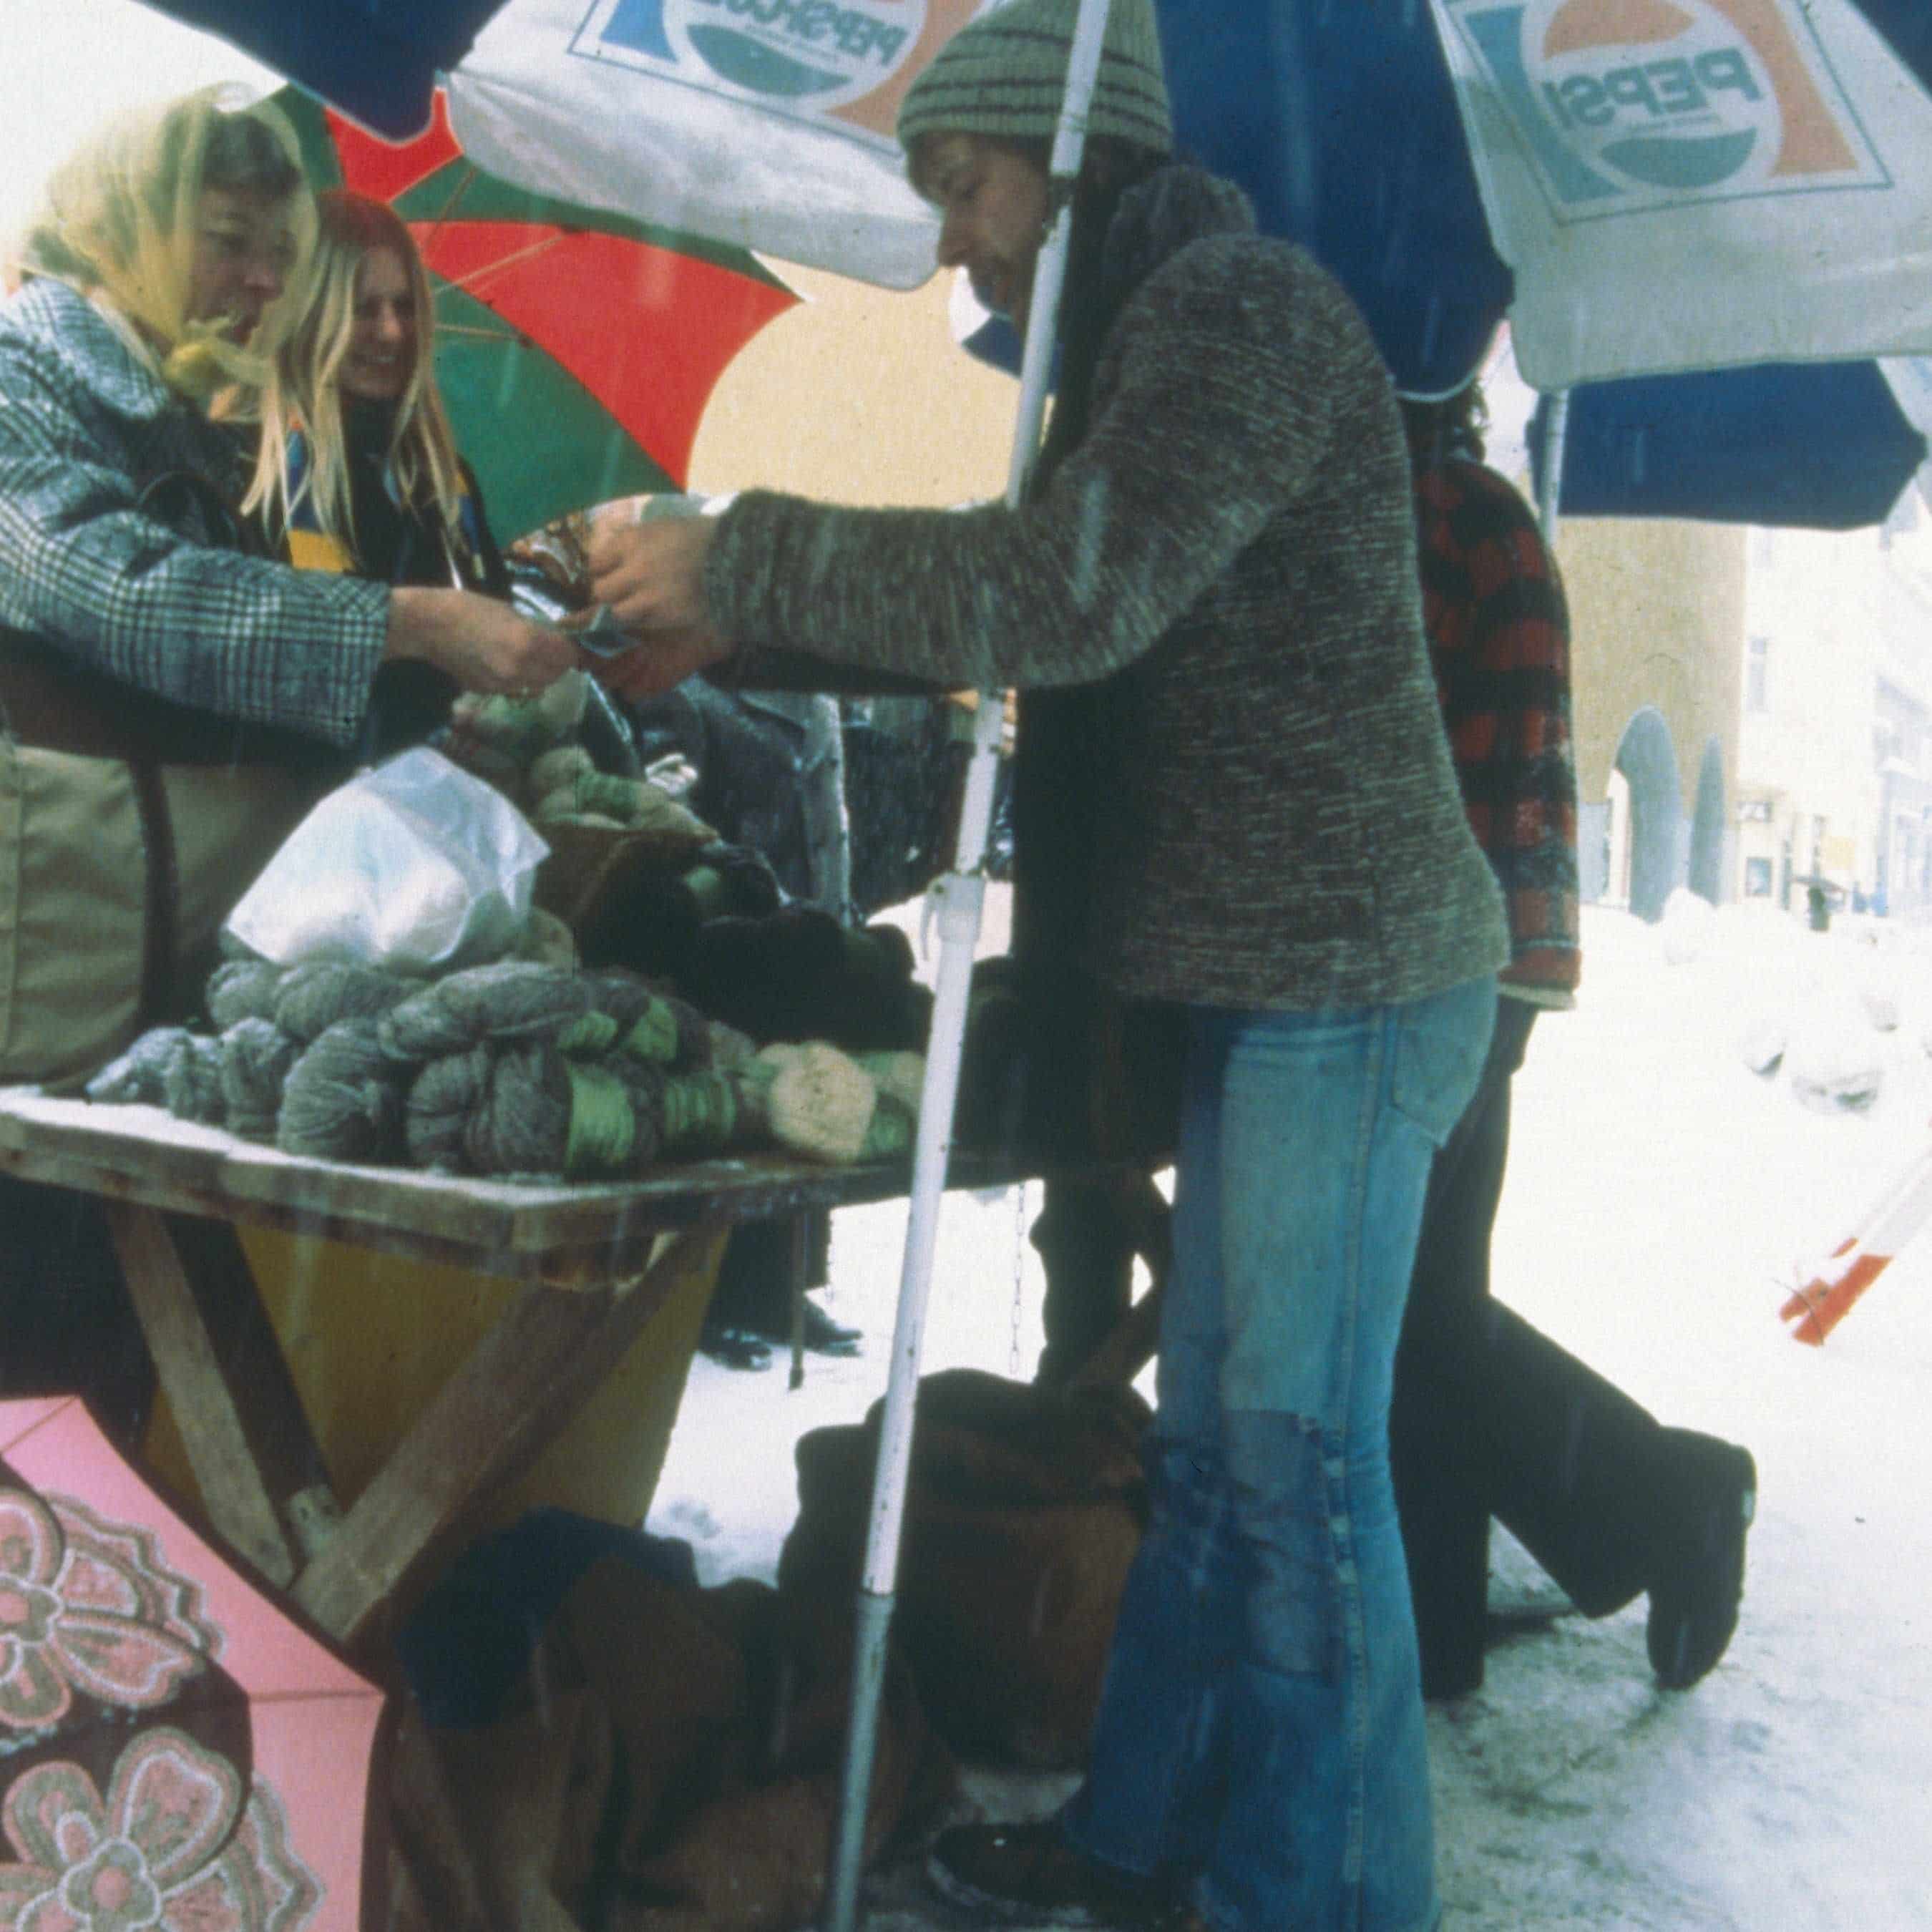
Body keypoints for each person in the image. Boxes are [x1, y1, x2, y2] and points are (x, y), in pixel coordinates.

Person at [580, 4, 1508, 1926]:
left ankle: (1326, 1898)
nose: (949, 240)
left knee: (1297, 1472)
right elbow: (1034, 596)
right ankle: (1134, 1843)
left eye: (965, 184)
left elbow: (1064, 591)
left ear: (1067, 154)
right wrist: (737, 644)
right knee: (1216, 1451)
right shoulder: (1138, 347)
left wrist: (734, 559)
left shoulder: (1243, 314)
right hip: (1264, 973)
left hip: (1346, 973)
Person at [0, 89, 575, 1445]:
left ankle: (112, 1610)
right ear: (118, 226)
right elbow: (126, 597)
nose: (268, 280)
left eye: (277, 246)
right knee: (34, 1296)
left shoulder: (209, 399)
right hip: (57, 939)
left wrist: (435, 692)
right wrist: (409, 621)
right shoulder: (23, 374)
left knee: (125, 1307)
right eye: (227, 241)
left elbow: (267, 662)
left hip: (176, 936)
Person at [1392, 379, 1757, 1698]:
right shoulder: (1471, 510)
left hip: (1444, 965)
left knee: (1411, 1311)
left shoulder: (1429, 522)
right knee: (1421, 1310)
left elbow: (1412, 761)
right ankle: (1437, 1628)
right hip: (1486, 962)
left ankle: (1669, 1493)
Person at [243, 187, 512, 758]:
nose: (392, 332)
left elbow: (492, 621)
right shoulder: (254, 479)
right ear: (306, 316)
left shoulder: (443, 478)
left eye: (405, 305)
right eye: (363, 310)